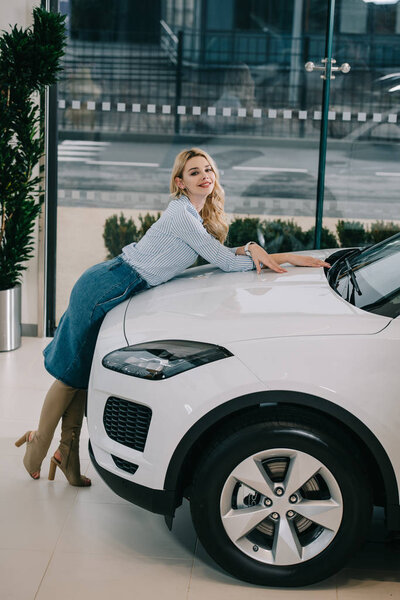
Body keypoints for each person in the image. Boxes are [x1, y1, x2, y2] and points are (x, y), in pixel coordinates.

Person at [15, 147, 330, 486]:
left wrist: (255, 249)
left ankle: (67, 454)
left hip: (117, 283)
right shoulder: (182, 215)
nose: (205, 176)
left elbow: (222, 254)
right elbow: (226, 262)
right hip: (107, 286)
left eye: (208, 169)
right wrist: (282, 257)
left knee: (80, 375)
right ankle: (39, 446)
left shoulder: (192, 215)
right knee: (70, 375)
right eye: (194, 172)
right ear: (180, 183)